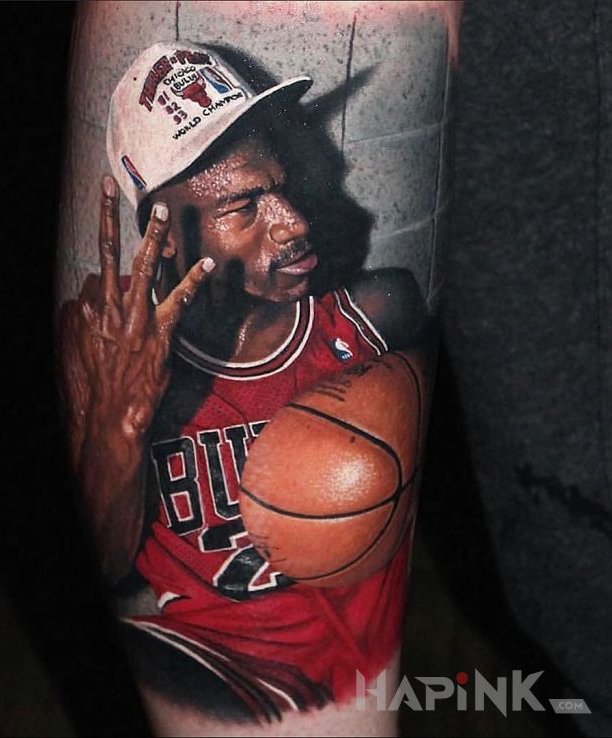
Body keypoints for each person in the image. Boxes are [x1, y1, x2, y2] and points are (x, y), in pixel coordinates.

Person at [59, 37, 441, 734]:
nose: (295, 224)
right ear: (166, 239)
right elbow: (106, 568)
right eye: (244, 207)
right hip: (216, 677)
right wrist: (120, 424)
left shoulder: (375, 314)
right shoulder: (106, 347)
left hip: (372, 682)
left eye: (281, 189)